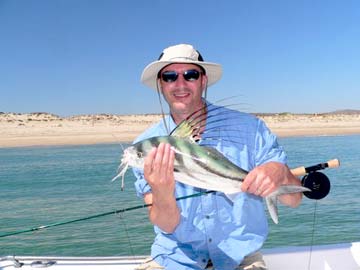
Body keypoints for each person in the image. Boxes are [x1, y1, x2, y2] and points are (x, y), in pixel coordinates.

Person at [132, 44, 303, 270]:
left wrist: (280, 173)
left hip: (241, 259)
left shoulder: (251, 128)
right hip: (174, 258)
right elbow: (166, 223)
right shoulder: (148, 146)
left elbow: (294, 200)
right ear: (160, 84)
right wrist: (162, 192)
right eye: (170, 76)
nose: (180, 84)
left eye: (190, 75)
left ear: (203, 81)